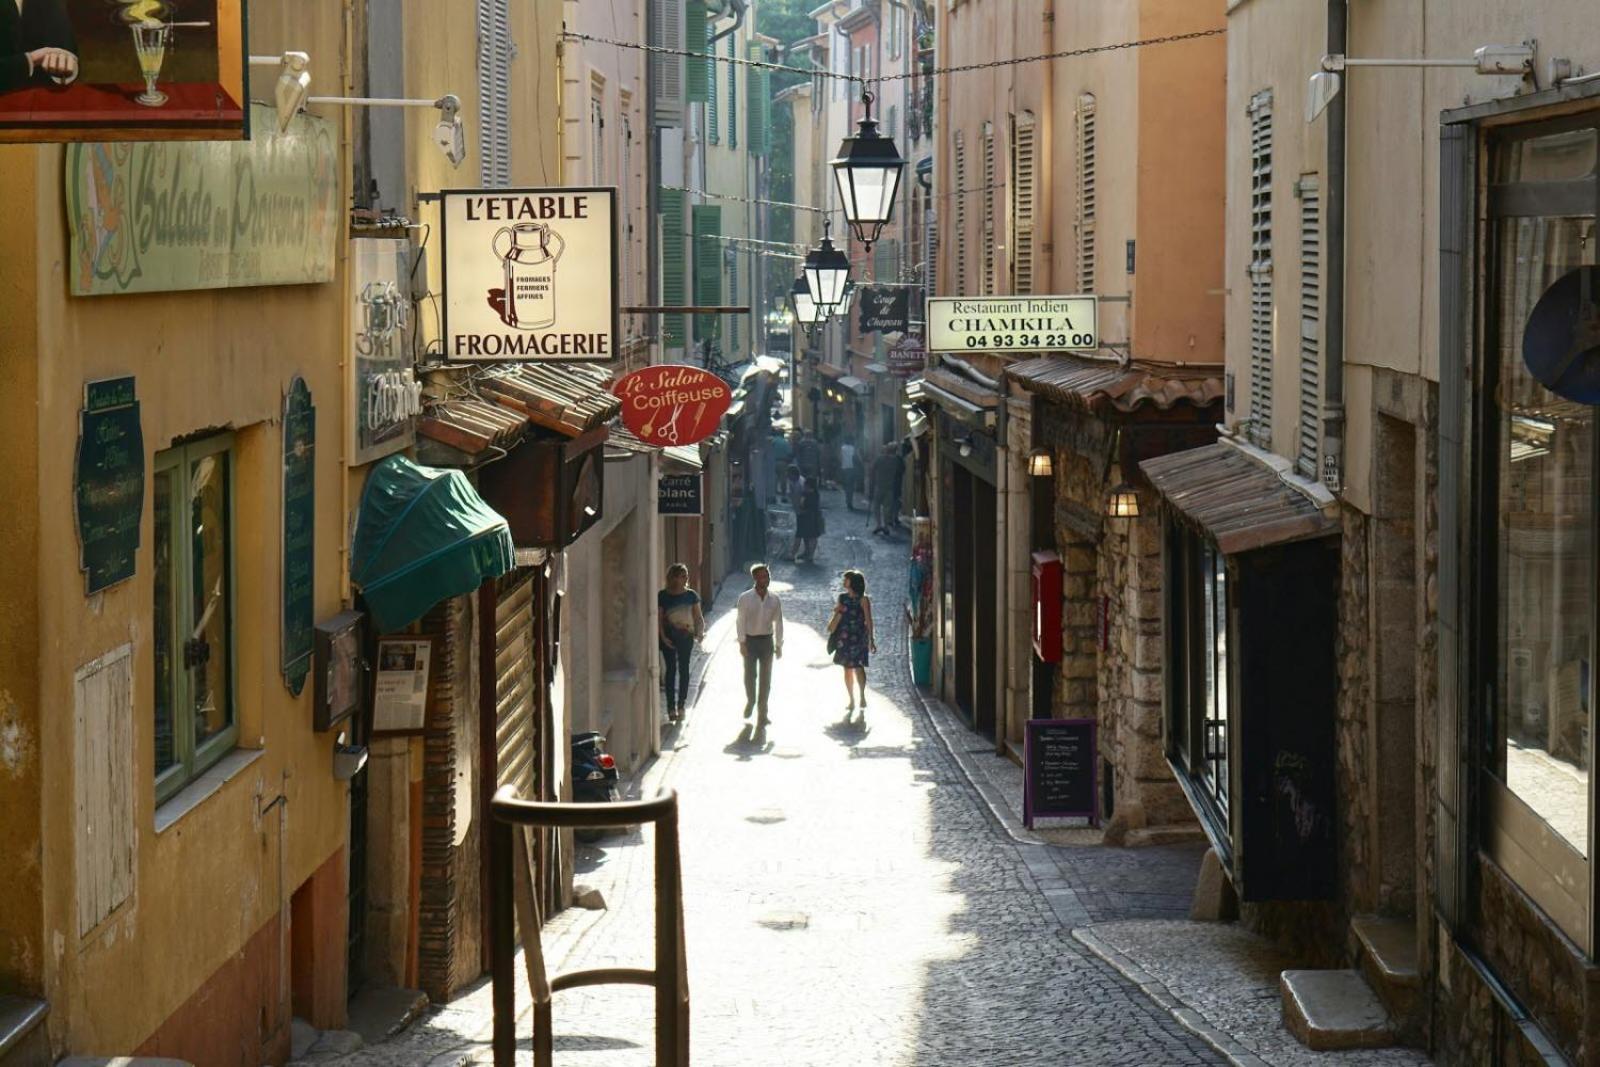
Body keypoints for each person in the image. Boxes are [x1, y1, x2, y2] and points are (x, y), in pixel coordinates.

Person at [736, 563, 784, 726]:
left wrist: (779, 645)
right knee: (750, 676)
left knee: (766, 679)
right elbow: (740, 621)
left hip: (766, 642)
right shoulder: (745, 598)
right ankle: (751, 701)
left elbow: (779, 622)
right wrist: (742, 642)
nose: (766, 579)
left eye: (768, 576)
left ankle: (762, 713)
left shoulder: (775, 599)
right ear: (755, 578)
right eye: (763, 576)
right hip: (750, 641)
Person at [657, 563, 705, 723]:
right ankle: (671, 707)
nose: (685, 578)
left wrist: (700, 631)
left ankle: (681, 705)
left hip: (686, 636)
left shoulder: (691, 595)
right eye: (682, 575)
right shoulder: (663, 596)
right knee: (670, 670)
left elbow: (698, 617)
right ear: (674, 577)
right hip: (669, 637)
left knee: (684, 669)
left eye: (686, 575)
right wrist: (663, 638)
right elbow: (658, 620)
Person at [1, 0, 78, 95]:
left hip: (40, 98)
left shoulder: (49, 3)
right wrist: (31, 59)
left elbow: (67, 55)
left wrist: (64, 64)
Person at [829, 570, 876, 716]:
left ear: (852, 582)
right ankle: (851, 699)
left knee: (858, 666)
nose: (844, 581)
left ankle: (861, 695)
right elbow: (837, 615)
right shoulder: (842, 597)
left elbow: (868, 620)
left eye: (846, 579)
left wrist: (871, 640)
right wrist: (838, 611)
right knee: (846, 668)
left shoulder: (863, 600)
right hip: (844, 636)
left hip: (858, 637)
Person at [869, 441, 900, 536]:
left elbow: (872, 469)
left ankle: (879, 524)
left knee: (876, 506)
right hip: (890, 487)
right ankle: (886, 526)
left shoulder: (879, 459)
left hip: (879, 486)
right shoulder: (895, 461)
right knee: (887, 508)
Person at [794, 474, 824, 562]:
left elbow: (811, 507)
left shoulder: (813, 495)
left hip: (811, 518)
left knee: (812, 536)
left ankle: (811, 554)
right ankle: (806, 552)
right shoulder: (806, 493)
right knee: (806, 536)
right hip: (804, 517)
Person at [838, 438, 860, 511]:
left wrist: (841, 465)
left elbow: (840, 458)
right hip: (852, 468)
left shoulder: (842, 448)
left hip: (844, 468)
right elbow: (856, 457)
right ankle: (850, 501)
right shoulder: (853, 448)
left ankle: (847, 500)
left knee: (846, 486)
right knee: (851, 486)